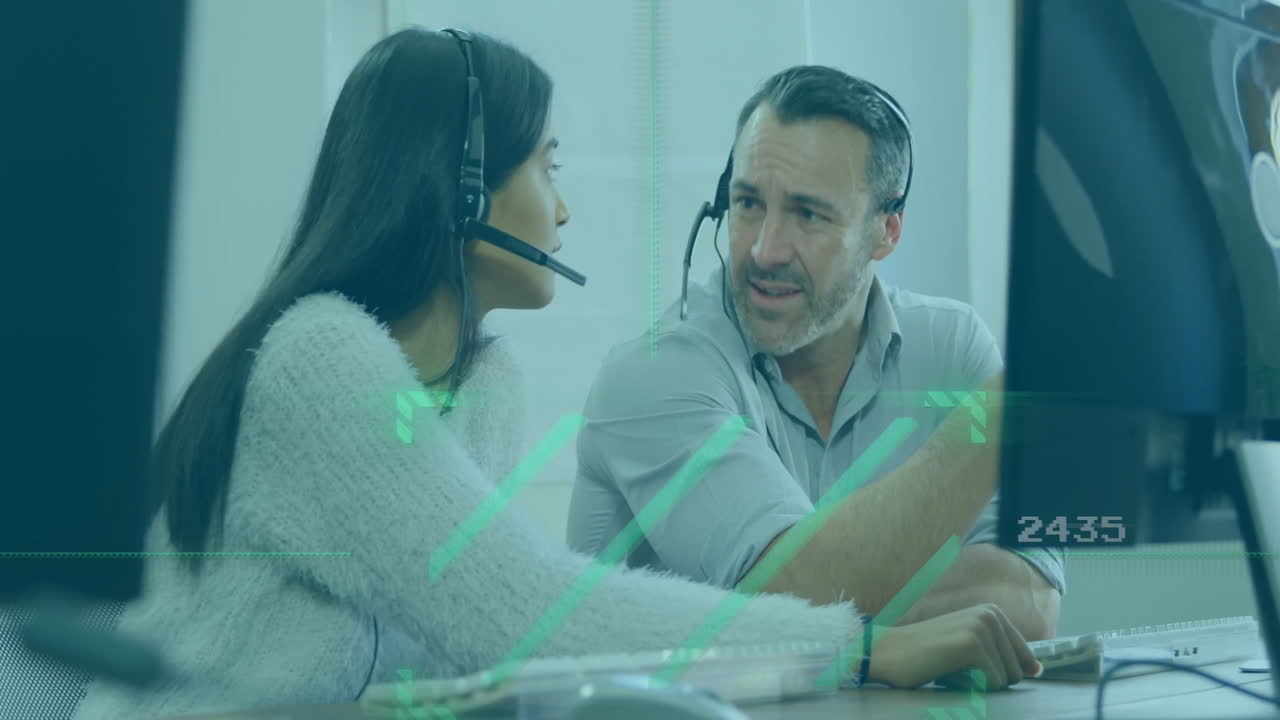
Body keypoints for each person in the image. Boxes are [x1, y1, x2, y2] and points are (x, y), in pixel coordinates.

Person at [73, 29, 1039, 720]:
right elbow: (524, 611)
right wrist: (860, 647)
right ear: (458, 190)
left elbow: (473, 653)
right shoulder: (317, 359)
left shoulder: (481, 389)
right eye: (547, 166)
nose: (565, 210)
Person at [568, 66, 1065, 643]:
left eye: (808, 214)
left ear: (887, 231)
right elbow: (785, 603)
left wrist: (815, 601)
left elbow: (1031, 599)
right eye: (748, 202)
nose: (764, 249)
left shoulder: (952, 347)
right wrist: (996, 426)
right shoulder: (654, 373)